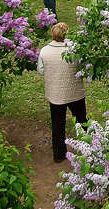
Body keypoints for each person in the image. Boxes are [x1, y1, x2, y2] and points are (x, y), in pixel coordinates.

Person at [37, 22, 86, 163]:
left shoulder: (45, 51)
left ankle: (58, 154)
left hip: (55, 94)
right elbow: (83, 68)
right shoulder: (75, 50)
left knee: (57, 124)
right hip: (75, 92)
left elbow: (40, 70)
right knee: (82, 120)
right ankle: (88, 148)